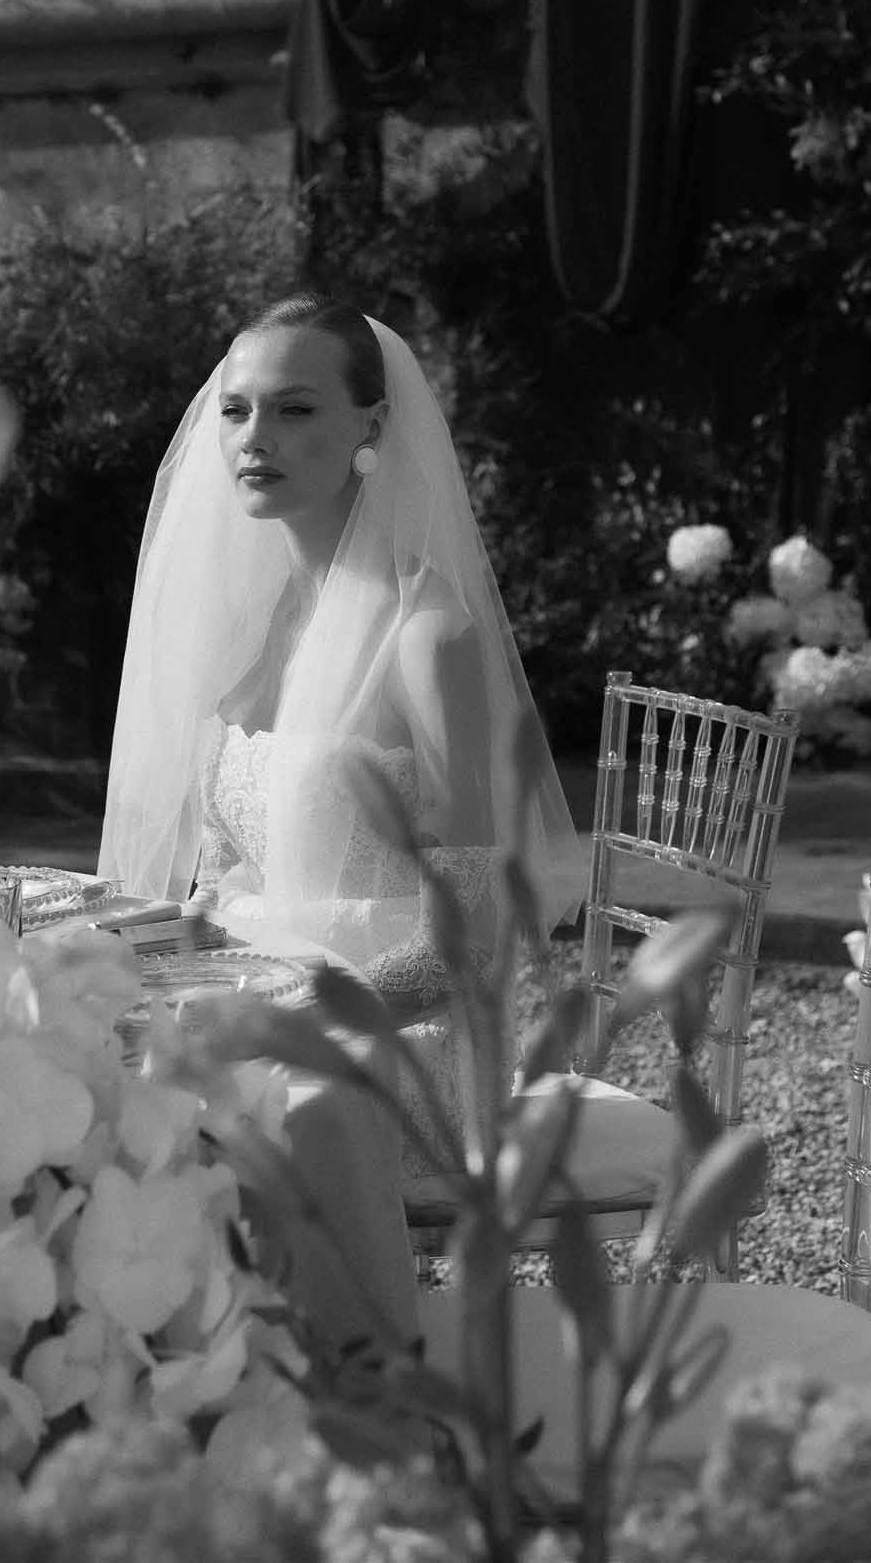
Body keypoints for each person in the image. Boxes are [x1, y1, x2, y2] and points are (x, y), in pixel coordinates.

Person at [97, 294, 584, 1161]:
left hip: (402, 1048)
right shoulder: (252, 626)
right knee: (89, 1084)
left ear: (374, 424)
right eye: (237, 410)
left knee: (175, 1138)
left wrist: (288, 1016)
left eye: (294, 409)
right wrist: (169, 969)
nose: (256, 437)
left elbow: (475, 935)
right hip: (266, 1007)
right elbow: (231, 867)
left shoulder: (427, 633)